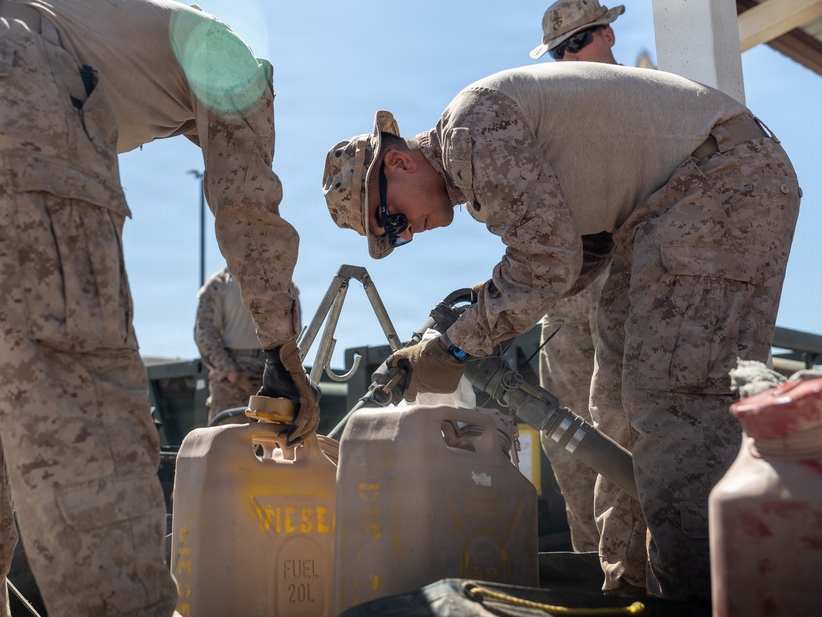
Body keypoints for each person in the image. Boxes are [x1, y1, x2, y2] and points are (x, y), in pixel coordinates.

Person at [0, 0, 319, 617]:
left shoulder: (119, 28)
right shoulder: (230, 58)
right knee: (81, 395)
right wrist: (283, 350)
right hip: (5, 77)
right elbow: (248, 210)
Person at [321, 62, 800, 603]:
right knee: (618, 407)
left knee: (674, 405)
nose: (404, 232)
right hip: (666, 209)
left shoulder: (470, 134)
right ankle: (629, 592)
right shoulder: (472, 155)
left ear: (399, 161)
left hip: (721, 182)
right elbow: (570, 257)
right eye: (393, 235)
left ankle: (697, 599)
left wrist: (456, 343)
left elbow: (545, 261)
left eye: (390, 219)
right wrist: (482, 309)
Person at [530, 0, 625, 554]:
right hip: (565, 304)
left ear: (607, 34)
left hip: (628, 291)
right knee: (567, 445)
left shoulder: (655, 103)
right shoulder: (546, 116)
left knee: (625, 430)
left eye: (577, 42)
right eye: (560, 50)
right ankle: (599, 577)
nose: (568, 58)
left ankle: (647, 578)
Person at [195, 267, 302, 425]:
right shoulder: (218, 284)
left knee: (270, 441)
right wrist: (234, 375)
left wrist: (274, 370)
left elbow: (292, 331)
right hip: (232, 381)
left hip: (271, 372)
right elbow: (205, 334)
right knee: (227, 440)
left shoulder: (283, 282)